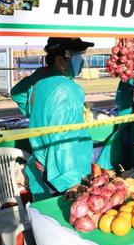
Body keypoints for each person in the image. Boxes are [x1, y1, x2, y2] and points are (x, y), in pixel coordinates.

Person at [11, 38, 94, 200]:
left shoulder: (41, 75)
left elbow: (17, 93)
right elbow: (63, 138)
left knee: (42, 217)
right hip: (60, 175)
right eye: (77, 56)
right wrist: (71, 182)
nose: (81, 61)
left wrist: (35, 111)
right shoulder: (66, 89)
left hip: (39, 166)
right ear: (60, 60)